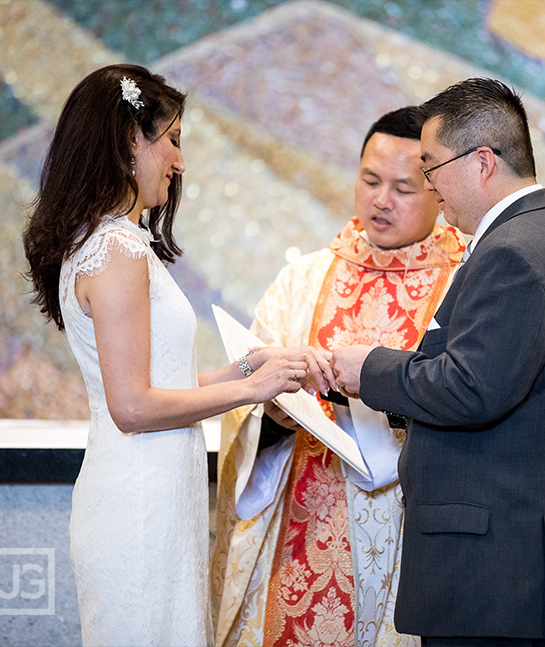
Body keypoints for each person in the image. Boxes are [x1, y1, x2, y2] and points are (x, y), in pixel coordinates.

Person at [22, 64, 330, 646]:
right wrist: (249, 390)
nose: (180, 161)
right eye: (174, 140)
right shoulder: (113, 247)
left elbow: (165, 382)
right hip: (139, 505)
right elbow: (133, 407)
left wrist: (250, 365)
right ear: (126, 140)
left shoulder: (116, 239)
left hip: (159, 494)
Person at [332, 78, 545, 646]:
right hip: (506, 564)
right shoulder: (534, 234)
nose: (431, 188)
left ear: (482, 161)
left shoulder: (513, 251)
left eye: (430, 168)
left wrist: (371, 370)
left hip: (497, 573)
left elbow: (470, 389)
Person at [210, 106, 465, 647]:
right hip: (300, 524)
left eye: (403, 188)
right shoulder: (301, 281)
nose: (380, 199)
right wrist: (272, 417)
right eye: (370, 180)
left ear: (439, 195)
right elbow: (244, 402)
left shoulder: (466, 284)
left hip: (406, 534)